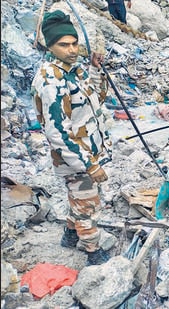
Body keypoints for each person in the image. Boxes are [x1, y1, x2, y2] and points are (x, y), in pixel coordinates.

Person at [31, 10, 112, 265]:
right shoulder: (50, 81)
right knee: (88, 203)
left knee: (79, 198)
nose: (72, 49)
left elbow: (96, 100)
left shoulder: (73, 71)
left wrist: (96, 71)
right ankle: (93, 253)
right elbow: (58, 133)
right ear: (50, 45)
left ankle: (69, 233)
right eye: (64, 45)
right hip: (74, 157)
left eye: (74, 43)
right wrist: (90, 164)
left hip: (88, 148)